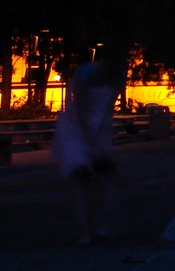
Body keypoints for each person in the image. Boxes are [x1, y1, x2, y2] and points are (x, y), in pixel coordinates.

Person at [52, 56, 124, 246]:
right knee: (81, 177)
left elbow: (108, 109)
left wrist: (102, 141)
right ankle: (86, 230)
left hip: (97, 126)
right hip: (74, 129)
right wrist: (90, 144)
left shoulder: (116, 77)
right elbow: (81, 111)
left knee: (105, 175)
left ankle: (99, 225)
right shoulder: (84, 75)